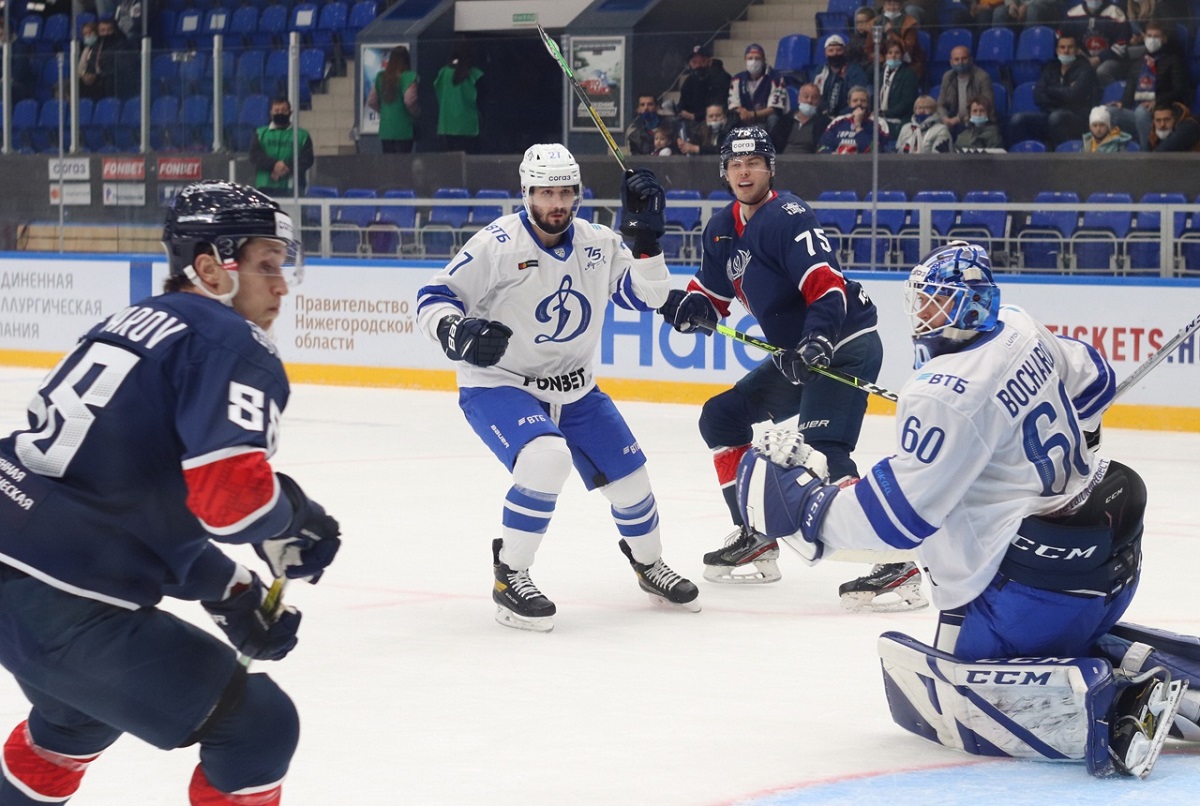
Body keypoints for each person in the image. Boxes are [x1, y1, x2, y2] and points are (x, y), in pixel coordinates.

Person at [734, 240, 1196, 780]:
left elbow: (898, 521)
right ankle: (1151, 667)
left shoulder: (942, 391)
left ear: (965, 307)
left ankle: (1116, 705)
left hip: (1033, 601)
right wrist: (1083, 431)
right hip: (1112, 567)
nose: (921, 313)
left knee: (952, 678)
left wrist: (810, 511)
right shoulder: (1020, 325)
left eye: (933, 302)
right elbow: (1094, 378)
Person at [0, 180, 342, 804]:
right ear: (211, 268)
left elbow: (126, 499)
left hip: (20, 562)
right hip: (62, 600)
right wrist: (295, 518)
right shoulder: (229, 341)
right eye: (268, 265)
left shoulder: (129, 323)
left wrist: (231, 590)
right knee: (257, 724)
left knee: (76, 718)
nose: (282, 285)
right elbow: (231, 502)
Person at [414, 144, 700, 632]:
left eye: (566, 192)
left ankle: (648, 564)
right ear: (526, 193)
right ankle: (511, 576)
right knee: (546, 459)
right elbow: (434, 297)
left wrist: (648, 243)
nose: (557, 203)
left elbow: (645, 296)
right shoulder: (497, 243)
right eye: (546, 192)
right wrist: (455, 332)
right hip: (500, 384)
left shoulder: (598, 242)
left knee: (634, 484)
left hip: (577, 389)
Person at [657, 126, 922, 609]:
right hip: (796, 356)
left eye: (753, 162)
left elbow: (827, 286)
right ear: (725, 171)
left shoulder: (787, 215)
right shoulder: (720, 229)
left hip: (843, 342)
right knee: (721, 417)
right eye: (735, 164)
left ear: (769, 168)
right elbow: (709, 299)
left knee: (825, 452)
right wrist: (683, 306)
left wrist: (818, 339)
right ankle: (754, 533)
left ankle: (897, 564)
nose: (744, 171)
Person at [1108, 20, 1192, 151]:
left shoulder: (1173, 60)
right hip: (1139, 112)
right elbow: (1129, 92)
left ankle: (1146, 155)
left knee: (1141, 112)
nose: (1152, 39)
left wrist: (1157, 101)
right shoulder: (1138, 63)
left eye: (1156, 36)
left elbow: (1180, 90)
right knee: (1108, 112)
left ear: (1164, 39)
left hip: (1165, 111)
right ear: (1144, 37)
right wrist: (1122, 104)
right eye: (1149, 36)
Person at [1008, 33, 1098, 148]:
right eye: (1062, 47)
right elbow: (1038, 96)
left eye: (1070, 47)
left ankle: (1062, 158)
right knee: (1017, 120)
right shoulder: (1050, 68)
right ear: (1057, 50)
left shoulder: (1085, 70)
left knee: (1056, 117)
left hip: (1077, 118)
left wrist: (1050, 90)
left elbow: (1073, 96)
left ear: (1077, 50)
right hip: (1049, 114)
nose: (1066, 51)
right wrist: (1064, 93)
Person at [250, 98, 314, 198]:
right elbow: (255, 155)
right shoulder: (260, 133)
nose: (280, 113)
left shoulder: (302, 135)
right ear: (271, 112)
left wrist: (286, 167)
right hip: (265, 186)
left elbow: (307, 159)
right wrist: (274, 165)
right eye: (277, 110)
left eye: (284, 110)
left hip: (294, 188)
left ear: (290, 112)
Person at [1062, 0, 1132, 86]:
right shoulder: (1073, 14)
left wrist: (1100, 58)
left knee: (1103, 71)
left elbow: (1121, 46)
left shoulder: (1115, 12)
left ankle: (1113, 96)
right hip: (1082, 59)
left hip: (1111, 60)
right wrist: (1077, 53)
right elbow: (1062, 39)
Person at [728, 43, 790, 133]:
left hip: (766, 117)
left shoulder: (776, 78)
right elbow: (733, 103)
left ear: (763, 60)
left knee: (773, 119)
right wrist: (741, 111)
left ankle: (770, 145)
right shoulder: (737, 79)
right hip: (745, 117)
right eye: (750, 58)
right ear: (745, 59)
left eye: (757, 58)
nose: (753, 61)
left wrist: (753, 114)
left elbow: (774, 108)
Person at [369, 44, 420, 153]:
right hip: (403, 129)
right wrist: (416, 113)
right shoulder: (409, 77)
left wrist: (383, 111)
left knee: (388, 165)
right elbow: (409, 101)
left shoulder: (380, 77)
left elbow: (371, 101)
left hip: (386, 129)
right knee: (403, 165)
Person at [433, 42, 484, 153]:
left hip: (446, 126)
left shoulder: (443, 73)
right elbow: (482, 102)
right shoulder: (475, 75)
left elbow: (438, 96)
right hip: (469, 127)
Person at [935, 46, 994, 137]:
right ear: (951, 62)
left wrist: (960, 118)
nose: (960, 62)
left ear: (970, 60)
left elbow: (987, 104)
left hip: (975, 121)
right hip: (952, 121)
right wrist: (945, 118)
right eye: (956, 59)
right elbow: (940, 104)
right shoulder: (947, 77)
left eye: (964, 59)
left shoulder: (982, 77)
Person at [817, 85, 890, 153]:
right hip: (837, 164)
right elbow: (821, 147)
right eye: (855, 101)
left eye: (863, 101)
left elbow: (876, 152)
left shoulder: (879, 123)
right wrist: (832, 155)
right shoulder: (838, 121)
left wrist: (858, 126)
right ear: (849, 103)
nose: (859, 103)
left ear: (868, 103)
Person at [813, 34, 870, 117]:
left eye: (839, 50)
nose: (835, 53)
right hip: (823, 116)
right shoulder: (820, 70)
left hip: (848, 116)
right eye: (831, 50)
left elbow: (859, 98)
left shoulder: (855, 71)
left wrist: (840, 116)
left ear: (844, 51)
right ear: (825, 53)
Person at [677, 44, 732, 124]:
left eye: (701, 61)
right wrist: (681, 111)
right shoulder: (689, 81)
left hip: (716, 121)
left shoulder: (722, 78)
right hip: (691, 124)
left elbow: (721, 104)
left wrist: (695, 116)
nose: (697, 65)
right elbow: (683, 103)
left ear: (708, 60)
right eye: (694, 62)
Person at [770, 82, 830, 154]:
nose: (809, 101)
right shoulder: (784, 121)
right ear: (799, 98)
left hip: (810, 163)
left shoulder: (825, 124)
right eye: (806, 96)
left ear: (819, 101)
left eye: (814, 98)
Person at [875, 37, 920, 133]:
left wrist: (884, 114)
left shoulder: (909, 74)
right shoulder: (881, 74)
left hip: (901, 120)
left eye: (897, 53)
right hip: (882, 118)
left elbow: (907, 103)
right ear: (885, 55)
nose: (893, 56)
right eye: (890, 52)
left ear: (902, 55)